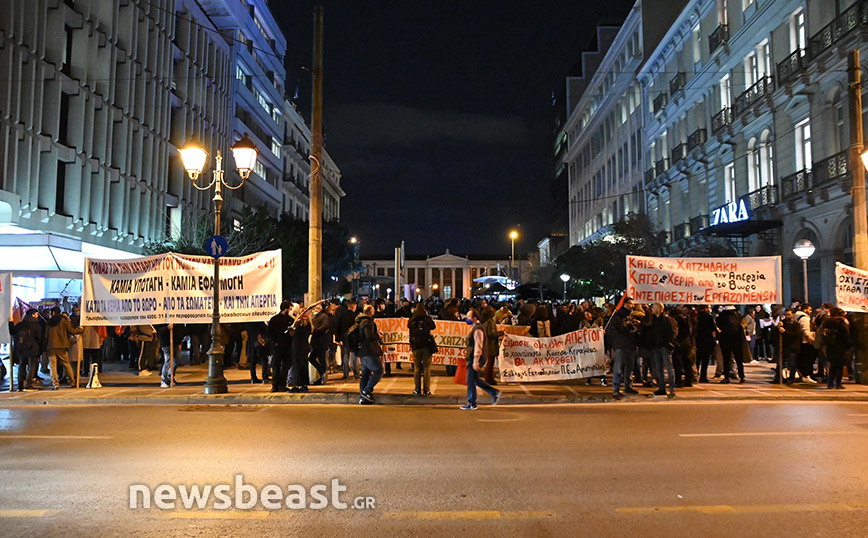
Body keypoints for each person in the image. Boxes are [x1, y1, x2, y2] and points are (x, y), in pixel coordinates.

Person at [460, 308, 501, 410]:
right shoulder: (475, 327)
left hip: (475, 357)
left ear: (475, 318)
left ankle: (472, 402)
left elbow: (478, 345)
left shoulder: (478, 329)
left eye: (469, 317)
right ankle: (494, 393)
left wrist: (476, 360)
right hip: (473, 356)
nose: (467, 319)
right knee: (475, 379)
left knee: (470, 379)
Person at [45, 306, 84, 389]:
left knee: (53, 366)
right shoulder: (64, 320)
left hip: (51, 347)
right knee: (66, 364)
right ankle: (72, 382)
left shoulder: (49, 322)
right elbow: (72, 331)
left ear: (53, 313)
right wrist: (80, 330)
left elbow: (45, 336)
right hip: (62, 346)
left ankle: (55, 384)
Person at [608, 296, 639, 398]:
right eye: (630, 303)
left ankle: (627, 385)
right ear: (625, 304)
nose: (632, 306)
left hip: (630, 344)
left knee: (629, 367)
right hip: (621, 345)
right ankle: (616, 388)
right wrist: (623, 331)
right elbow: (611, 331)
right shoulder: (617, 316)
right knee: (619, 368)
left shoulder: (631, 316)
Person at [9, 308, 44, 391]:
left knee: (22, 366)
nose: (37, 316)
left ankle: (20, 385)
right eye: (36, 314)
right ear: (32, 315)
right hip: (33, 348)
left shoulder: (20, 324)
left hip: (21, 348)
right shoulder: (36, 325)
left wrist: (10, 322)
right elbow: (40, 338)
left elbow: (12, 332)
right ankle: (28, 384)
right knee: (32, 366)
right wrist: (41, 348)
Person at [355, 305, 384, 404]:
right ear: (370, 312)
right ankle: (366, 391)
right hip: (369, 351)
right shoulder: (367, 322)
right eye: (373, 310)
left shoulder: (361, 320)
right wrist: (378, 335)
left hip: (363, 351)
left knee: (366, 374)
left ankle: (363, 398)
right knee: (379, 370)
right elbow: (368, 336)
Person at [818, 307, 852, 389]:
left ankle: (830, 383)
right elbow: (845, 336)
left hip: (830, 347)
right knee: (839, 366)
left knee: (833, 365)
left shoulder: (826, 322)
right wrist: (849, 345)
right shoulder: (841, 323)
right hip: (840, 347)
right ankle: (838, 383)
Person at [648, 302, 676, 398]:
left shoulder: (666, 320)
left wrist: (667, 342)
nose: (652, 309)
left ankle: (672, 389)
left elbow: (672, 333)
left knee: (668, 367)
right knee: (659, 368)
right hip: (657, 346)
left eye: (654, 307)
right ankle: (662, 388)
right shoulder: (655, 320)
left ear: (659, 309)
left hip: (664, 346)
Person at [408, 303, 436, 396]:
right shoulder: (426, 318)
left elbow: (409, 328)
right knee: (427, 368)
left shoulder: (412, 318)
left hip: (416, 346)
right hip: (426, 345)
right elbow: (433, 326)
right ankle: (427, 389)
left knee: (417, 368)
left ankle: (417, 389)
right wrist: (427, 316)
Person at [268, 301, 293, 393]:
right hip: (279, 346)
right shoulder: (275, 320)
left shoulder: (289, 320)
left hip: (285, 346)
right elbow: (270, 332)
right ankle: (276, 385)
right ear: (286, 308)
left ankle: (280, 384)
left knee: (284, 366)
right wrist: (274, 342)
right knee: (276, 365)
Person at [717, 306, 745, 383]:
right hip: (737, 340)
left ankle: (726, 377)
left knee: (726, 360)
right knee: (739, 360)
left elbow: (719, 325)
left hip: (725, 340)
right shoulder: (738, 315)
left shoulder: (723, 316)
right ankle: (742, 376)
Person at [695, 305, 717, 383]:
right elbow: (713, 327)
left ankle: (695, 375)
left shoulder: (696, 316)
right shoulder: (708, 316)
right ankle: (703, 377)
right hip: (707, 340)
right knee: (705, 360)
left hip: (697, 340)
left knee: (697, 360)